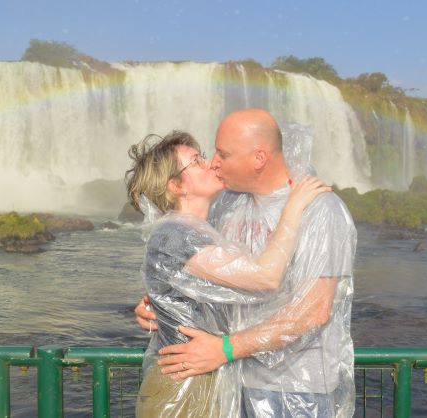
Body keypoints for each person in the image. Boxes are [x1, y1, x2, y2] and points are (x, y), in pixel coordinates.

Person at [135, 109, 357, 418]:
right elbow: (201, 274)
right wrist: (160, 303)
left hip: (294, 388)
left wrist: (226, 348)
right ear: (176, 185)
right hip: (227, 380)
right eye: (202, 158)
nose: (213, 161)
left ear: (259, 158)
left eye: (221, 154)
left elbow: (315, 309)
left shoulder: (320, 209)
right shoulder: (225, 208)